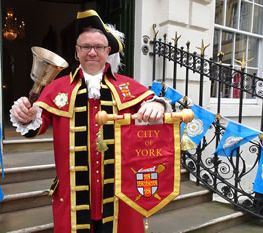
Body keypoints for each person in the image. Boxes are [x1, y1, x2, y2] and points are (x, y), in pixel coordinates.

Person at [10, 9, 171, 233]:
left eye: (98, 47)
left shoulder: (128, 86)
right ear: (77, 51)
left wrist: (158, 105)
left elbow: (159, 106)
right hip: (74, 196)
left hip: (119, 195)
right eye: (86, 47)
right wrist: (25, 116)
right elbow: (36, 125)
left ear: (108, 51)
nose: (92, 52)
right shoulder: (57, 87)